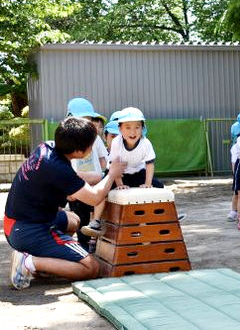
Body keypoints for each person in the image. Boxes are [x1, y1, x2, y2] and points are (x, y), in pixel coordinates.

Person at [4, 117, 125, 289]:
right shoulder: (59, 169)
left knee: (73, 220)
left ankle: (45, 263)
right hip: (27, 230)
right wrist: (112, 173)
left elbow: (61, 186)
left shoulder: (47, 147)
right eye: (91, 145)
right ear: (79, 151)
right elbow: (95, 197)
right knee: (91, 268)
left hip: (17, 223)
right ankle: (29, 262)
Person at [82, 107, 164, 237]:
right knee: (102, 191)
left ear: (142, 128)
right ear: (120, 129)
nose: (133, 131)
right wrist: (119, 184)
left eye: (137, 127)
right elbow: (115, 165)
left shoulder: (146, 143)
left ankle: (163, 219)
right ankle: (96, 222)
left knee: (159, 186)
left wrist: (148, 183)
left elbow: (149, 164)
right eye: (128, 127)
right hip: (117, 173)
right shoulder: (116, 142)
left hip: (138, 173)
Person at [66, 98, 108, 250]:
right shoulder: (67, 140)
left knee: (100, 214)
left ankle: (96, 243)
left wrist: (104, 172)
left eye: (89, 120)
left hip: (95, 183)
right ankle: (84, 247)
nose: (87, 123)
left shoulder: (95, 138)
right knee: (81, 217)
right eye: (83, 119)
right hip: (78, 187)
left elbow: (103, 159)